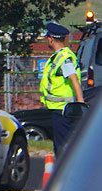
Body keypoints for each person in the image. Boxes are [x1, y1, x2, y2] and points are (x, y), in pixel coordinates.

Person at [40, 23, 84, 159]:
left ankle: (65, 176)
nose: (47, 40)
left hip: (63, 111)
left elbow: (74, 79)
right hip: (59, 110)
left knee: (62, 149)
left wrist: (81, 104)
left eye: (48, 38)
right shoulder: (59, 57)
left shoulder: (64, 58)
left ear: (52, 39)